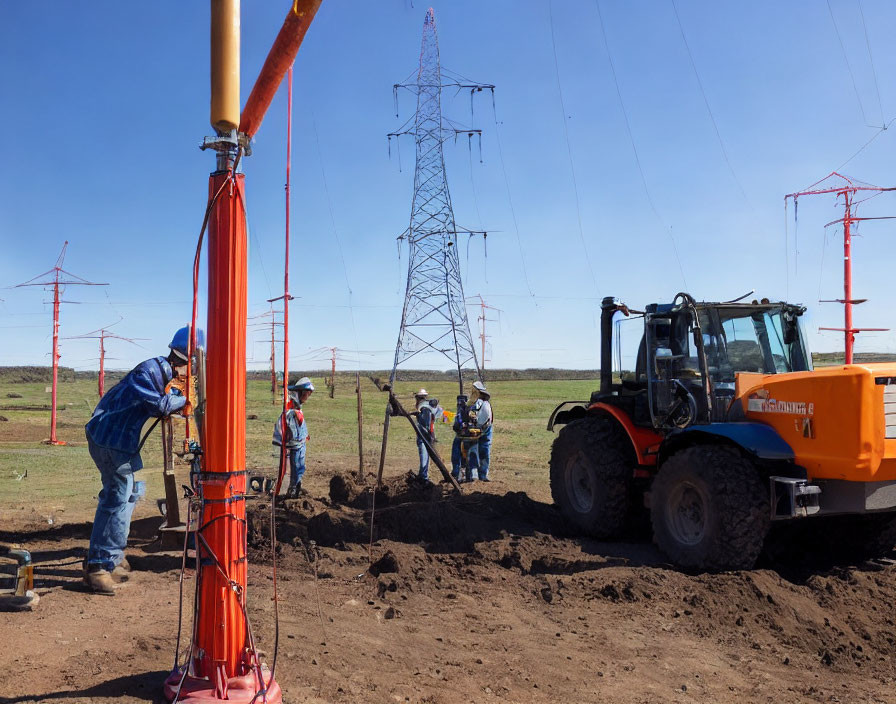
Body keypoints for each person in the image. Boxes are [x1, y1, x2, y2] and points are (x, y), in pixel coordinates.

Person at [83, 326, 197, 594]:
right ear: (185, 360)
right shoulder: (148, 371)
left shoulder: (163, 375)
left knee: (133, 491)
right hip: (108, 438)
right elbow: (161, 406)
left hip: (124, 441)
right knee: (115, 497)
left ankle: (112, 555)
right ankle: (98, 566)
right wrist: (183, 398)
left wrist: (177, 395)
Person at [273, 377, 314, 499]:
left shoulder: (296, 407)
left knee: (299, 467)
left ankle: (296, 488)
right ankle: (293, 491)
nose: (307, 396)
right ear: (300, 392)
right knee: (296, 467)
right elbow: (289, 429)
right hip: (295, 445)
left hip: (299, 444)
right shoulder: (291, 409)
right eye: (306, 394)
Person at [468, 381, 493, 482]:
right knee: (483, 451)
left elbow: (478, 417)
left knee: (475, 450)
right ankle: (481, 474)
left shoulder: (480, 403)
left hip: (480, 428)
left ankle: (476, 475)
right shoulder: (485, 404)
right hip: (485, 427)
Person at [412, 389, 435, 482]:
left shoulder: (424, 408)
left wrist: (418, 416)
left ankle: (423, 476)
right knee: (425, 455)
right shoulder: (426, 407)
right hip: (425, 435)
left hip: (424, 436)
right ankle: (423, 474)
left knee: (424, 455)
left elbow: (425, 424)